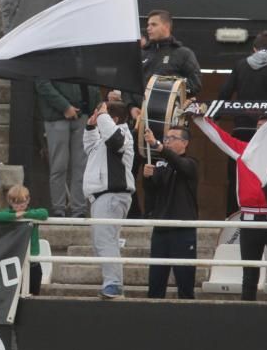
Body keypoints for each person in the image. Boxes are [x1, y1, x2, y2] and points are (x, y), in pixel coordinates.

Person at [191, 109, 267, 301]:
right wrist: (198, 118)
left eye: (266, 127)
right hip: (249, 221)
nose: (261, 130)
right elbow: (219, 137)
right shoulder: (243, 151)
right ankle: (246, 313)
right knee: (249, 274)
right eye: (258, 127)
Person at [216, 30, 267, 213]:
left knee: (236, 176)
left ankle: (232, 216)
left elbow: (224, 93)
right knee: (265, 175)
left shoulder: (240, 65)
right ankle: (265, 213)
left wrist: (214, 117)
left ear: (253, 49)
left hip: (241, 130)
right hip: (265, 134)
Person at [82, 100, 134, 300]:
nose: (98, 115)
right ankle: (112, 282)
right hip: (100, 197)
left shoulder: (122, 134)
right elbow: (89, 147)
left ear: (113, 119)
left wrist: (103, 117)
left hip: (112, 195)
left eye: (101, 113)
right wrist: (90, 126)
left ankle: (113, 284)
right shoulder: (105, 137)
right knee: (101, 241)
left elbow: (116, 141)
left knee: (105, 240)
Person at [142, 125, 199, 299]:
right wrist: (147, 178)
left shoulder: (191, 163)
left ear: (185, 143)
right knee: (156, 282)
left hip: (183, 230)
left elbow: (180, 164)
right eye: (166, 138)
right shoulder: (162, 165)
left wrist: (158, 146)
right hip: (161, 228)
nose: (168, 141)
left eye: (172, 138)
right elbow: (152, 194)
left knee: (185, 281)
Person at [36, 79, 100, 218]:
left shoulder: (86, 57)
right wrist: (65, 106)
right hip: (57, 116)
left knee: (81, 167)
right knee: (59, 166)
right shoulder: (48, 57)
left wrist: (96, 106)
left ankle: (79, 209)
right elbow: (42, 83)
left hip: (83, 114)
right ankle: (59, 209)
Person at [129, 9, 202, 122]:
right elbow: (129, 85)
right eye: (148, 25)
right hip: (139, 119)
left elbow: (195, 84)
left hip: (171, 120)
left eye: (153, 24)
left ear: (166, 26)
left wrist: (173, 88)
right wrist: (131, 107)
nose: (148, 28)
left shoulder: (183, 53)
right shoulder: (141, 54)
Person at [0, 185, 49, 295]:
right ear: (10, 202)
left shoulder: (33, 213)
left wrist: (26, 215)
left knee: (34, 293)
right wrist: (14, 216)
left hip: (33, 262)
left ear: (28, 200)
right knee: (14, 296)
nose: (19, 207)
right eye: (16, 204)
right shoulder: (8, 213)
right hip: (14, 262)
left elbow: (44, 213)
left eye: (22, 203)